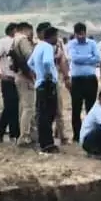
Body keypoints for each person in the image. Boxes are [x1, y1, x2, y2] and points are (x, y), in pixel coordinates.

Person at [28, 24, 62, 154]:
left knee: (42, 114)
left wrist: (38, 73)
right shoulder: (48, 47)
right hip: (47, 83)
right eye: (56, 37)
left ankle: (44, 142)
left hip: (40, 83)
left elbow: (29, 63)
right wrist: (47, 74)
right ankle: (48, 143)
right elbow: (48, 62)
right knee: (48, 114)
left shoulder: (38, 46)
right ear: (52, 36)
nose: (57, 39)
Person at [66, 22, 101, 134]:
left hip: (90, 79)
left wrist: (84, 59)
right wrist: (89, 58)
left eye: (82, 34)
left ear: (85, 33)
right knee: (76, 108)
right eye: (78, 35)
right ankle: (77, 134)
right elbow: (74, 58)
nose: (80, 37)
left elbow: (97, 58)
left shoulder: (92, 43)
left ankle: (90, 132)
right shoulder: (71, 44)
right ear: (75, 34)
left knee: (90, 108)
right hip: (77, 80)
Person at [0, 23, 20, 141]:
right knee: (9, 106)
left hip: (18, 78)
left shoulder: (19, 42)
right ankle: (0, 131)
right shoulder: (3, 42)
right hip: (8, 78)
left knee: (16, 107)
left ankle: (14, 133)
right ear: (13, 30)